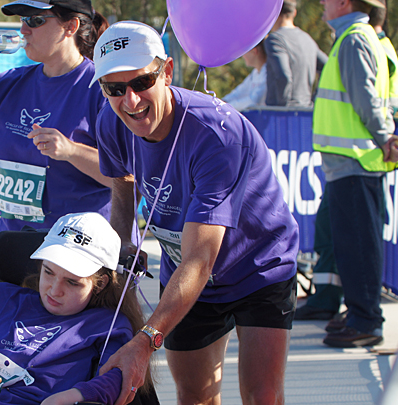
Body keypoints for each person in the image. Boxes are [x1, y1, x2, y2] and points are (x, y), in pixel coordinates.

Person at [91, 21, 300, 405]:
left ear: (166, 71)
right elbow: (122, 186)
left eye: (140, 83)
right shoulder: (111, 120)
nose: (130, 101)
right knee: (194, 397)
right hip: (184, 274)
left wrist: (147, 340)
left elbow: (201, 259)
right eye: (115, 89)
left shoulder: (217, 135)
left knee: (262, 396)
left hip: (257, 266)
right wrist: (122, 253)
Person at [0, 212, 150, 405]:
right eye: (48, 272)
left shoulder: (108, 325)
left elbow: (118, 379)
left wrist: (73, 397)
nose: (55, 290)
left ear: (99, 284)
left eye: (72, 282)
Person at [0, 0, 112, 234]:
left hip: (76, 253)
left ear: (71, 26)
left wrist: (72, 151)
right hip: (14, 247)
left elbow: (128, 178)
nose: (24, 31)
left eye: (35, 21)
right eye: (22, 20)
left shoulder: (104, 89)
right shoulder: (9, 84)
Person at [310, 0, 398, 348]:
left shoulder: (354, 38)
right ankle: (360, 315)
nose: (322, 4)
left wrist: (384, 138)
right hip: (350, 161)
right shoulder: (353, 36)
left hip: (356, 160)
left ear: (344, 2)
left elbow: (364, 96)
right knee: (352, 244)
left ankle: (366, 321)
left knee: (359, 245)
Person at [265, 0, 328, 107]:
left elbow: (283, 76)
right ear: (294, 13)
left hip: (281, 113)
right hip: (305, 109)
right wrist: (315, 98)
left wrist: (281, 107)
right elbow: (327, 66)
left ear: (273, 14)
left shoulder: (275, 39)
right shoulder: (307, 39)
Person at [222, 40, 268, 111]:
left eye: (244, 52)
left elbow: (254, 100)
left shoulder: (268, 73)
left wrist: (225, 107)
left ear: (254, 51)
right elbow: (239, 92)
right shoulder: (255, 73)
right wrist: (221, 102)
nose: (242, 56)